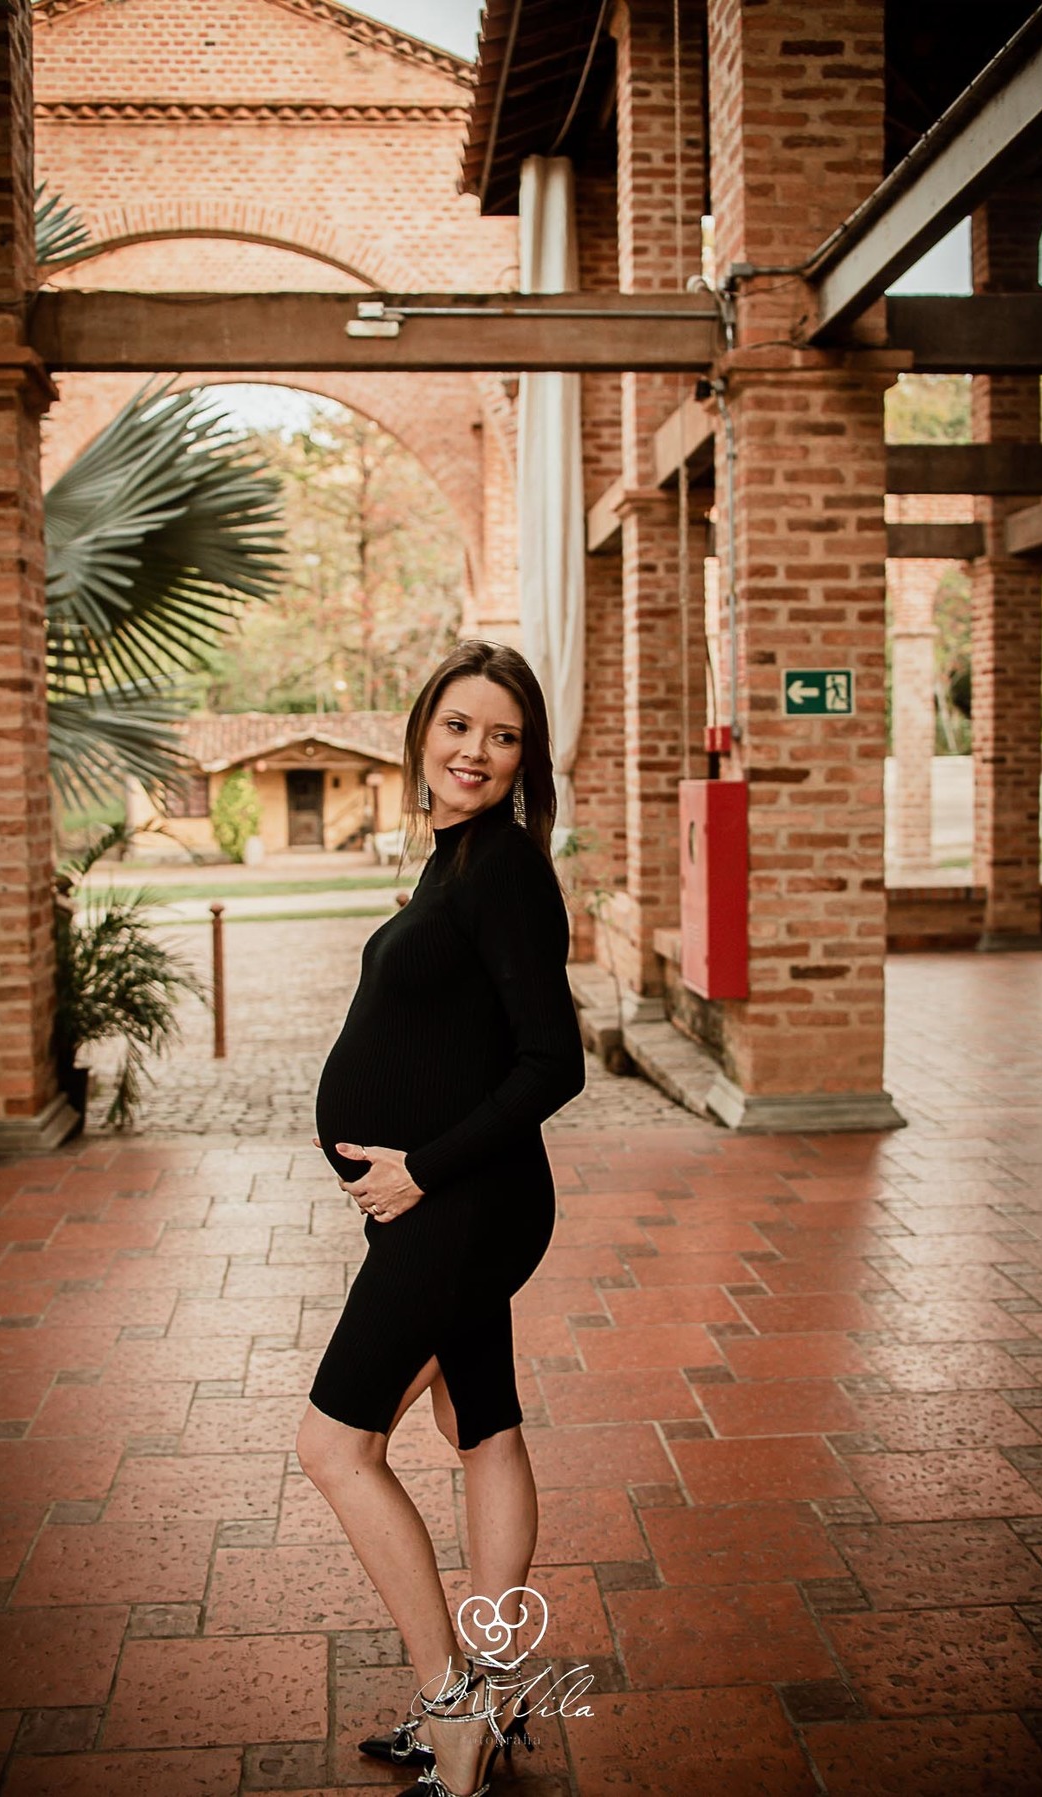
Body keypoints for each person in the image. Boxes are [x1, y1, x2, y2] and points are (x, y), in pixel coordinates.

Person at [295, 640, 586, 1797]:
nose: (476, 751)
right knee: (481, 1425)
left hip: (464, 1205)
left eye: (503, 736)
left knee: (335, 1446)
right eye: (459, 725)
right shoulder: (457, 858)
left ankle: (454, 1712)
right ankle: (492, 1698)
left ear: (526, 760)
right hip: (458, 1203)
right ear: (423, 729)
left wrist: (421, 1169)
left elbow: (553, 1062)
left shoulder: (504, 868)